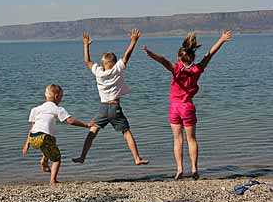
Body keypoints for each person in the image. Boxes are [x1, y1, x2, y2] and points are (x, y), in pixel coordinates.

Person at [143, 30, 232, 180]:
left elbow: (163, 60)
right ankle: (194, 168)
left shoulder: (176, 69)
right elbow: (209, 55)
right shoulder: (197, 69)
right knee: (191, 139)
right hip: (187, 107)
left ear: (179, 58)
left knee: (177, 139)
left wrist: (149, 53)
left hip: (174, 109)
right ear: (192, 57)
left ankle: (179, 168)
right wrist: (222, 39)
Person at [72, 28, 148, 165]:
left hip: (102, 108)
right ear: (114, 63)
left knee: (92, 132)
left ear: (103, 64)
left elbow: (87, 61)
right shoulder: (117, 70)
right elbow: (127, 56)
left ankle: (82, 156)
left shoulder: (99, 73)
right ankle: (137, 158)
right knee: (126, 132)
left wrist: (85, 45)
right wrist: (133, 41)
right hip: (114, 107)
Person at [23, 84, 94, 185]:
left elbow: (32, 128)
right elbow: (70, 121)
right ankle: (53, 181)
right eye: (61, 96)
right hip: (45, 137)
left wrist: (27, 144)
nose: (61, 99)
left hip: (33, 138)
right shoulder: (58, 109)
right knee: (57, 159)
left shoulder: (35, 109)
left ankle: (44, 160)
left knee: (52, 141)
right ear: (57, 97)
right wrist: (86, 125)